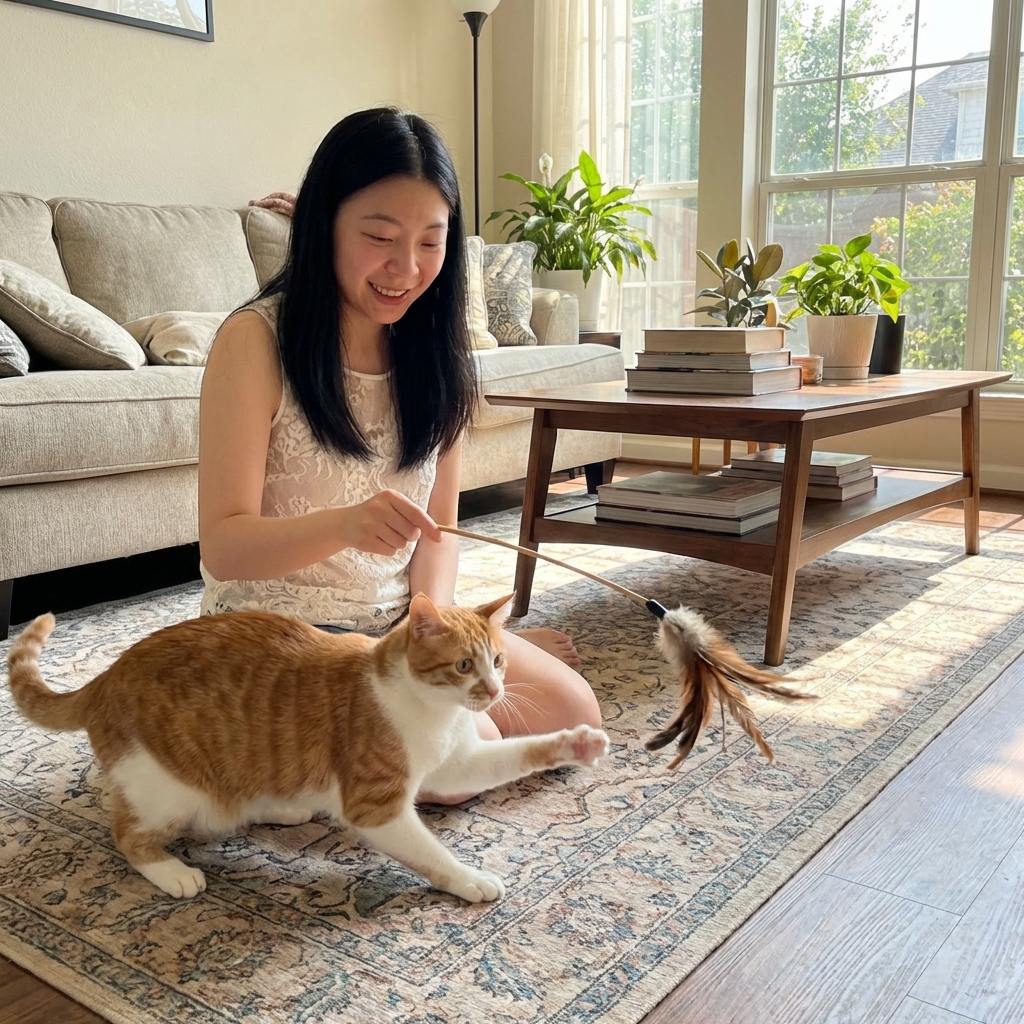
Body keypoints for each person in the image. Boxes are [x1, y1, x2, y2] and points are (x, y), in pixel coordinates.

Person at [198, 108, 601, 784]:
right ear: (322, 223)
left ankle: (469, 680)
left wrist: (433, 632)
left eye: (431, 242)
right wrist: (345, 526)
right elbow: (226, 545)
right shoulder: (255, 342)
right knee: (448, 762)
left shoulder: (434, 353)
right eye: (380, 236)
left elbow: (440, 530)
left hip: (396, 626)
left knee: (573, 714)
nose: (406, 269)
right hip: (284, 637)